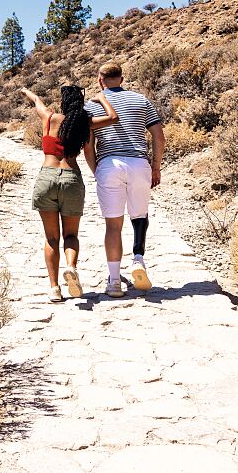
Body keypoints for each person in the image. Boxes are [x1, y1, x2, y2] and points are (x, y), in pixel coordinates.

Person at [22, 85, 119, 302]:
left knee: (51, 238)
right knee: (71, 236)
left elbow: (36, 100)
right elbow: (113, 118)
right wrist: (102, 99)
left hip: (47, 178)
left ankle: (54, 288)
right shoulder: (83, 123)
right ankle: (71, 267)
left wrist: (25, 91)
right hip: (71, 179)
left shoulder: (49, 117)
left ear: (63, 102)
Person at [83, 61, 165, 298]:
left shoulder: (91, 106)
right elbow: (159, 136)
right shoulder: (141, 101)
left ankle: (115, 281)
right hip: (139, 163)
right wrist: (155, 167)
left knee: (113, 225)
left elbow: (88, 146)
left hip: (109, 164)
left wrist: (97, 170)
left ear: (100, 80)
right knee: (139, 215)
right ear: (121, 79)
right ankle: (138, 259)